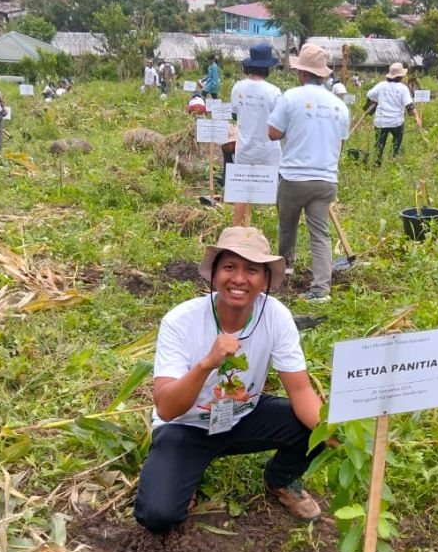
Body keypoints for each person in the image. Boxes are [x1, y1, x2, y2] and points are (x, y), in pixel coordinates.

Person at [134, 226, 325, 533]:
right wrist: (206, 364)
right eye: (229, 267)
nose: (239, 279)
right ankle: (187, 472)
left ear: (265, 281)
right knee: (157, 515)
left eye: (251, 270)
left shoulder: (275, 316)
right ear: (214, 274)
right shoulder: (180, 321)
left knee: (312, 426)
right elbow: (168, 408)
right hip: (186, 425)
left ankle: (280, 479)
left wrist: (333, 433)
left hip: (242, 414)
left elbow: (301, 390)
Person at [267, 44, 349, 303]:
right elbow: (341, 143)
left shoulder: (291, 97)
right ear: (322, 75)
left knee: (287, 228)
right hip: (326, 180)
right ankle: (321, 289)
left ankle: (284, 272)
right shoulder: (339, 106)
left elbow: (273, 133)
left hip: (294, 177)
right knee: (320, 234)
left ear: (302, 73)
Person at [229, 41, 282, 227]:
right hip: (268, 150)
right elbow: (280, 122)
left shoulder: (237, 88)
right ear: (268, 68)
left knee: (241, 192)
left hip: (244, 147)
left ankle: (235, 229)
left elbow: (235, 114)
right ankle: (283, 227)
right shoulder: (274, 92)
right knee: (276, 191)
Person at [364, 61, 421, 166]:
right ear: (401, 76)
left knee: (379, 145)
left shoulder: (381, 86)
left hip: (381, 122)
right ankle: (393, 160)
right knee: (396, 143)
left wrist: (377, 99)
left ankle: (377, 164)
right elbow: (409, 106)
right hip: (396, 122)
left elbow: (370, 95)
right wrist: (417, 117)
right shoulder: (403, 89)